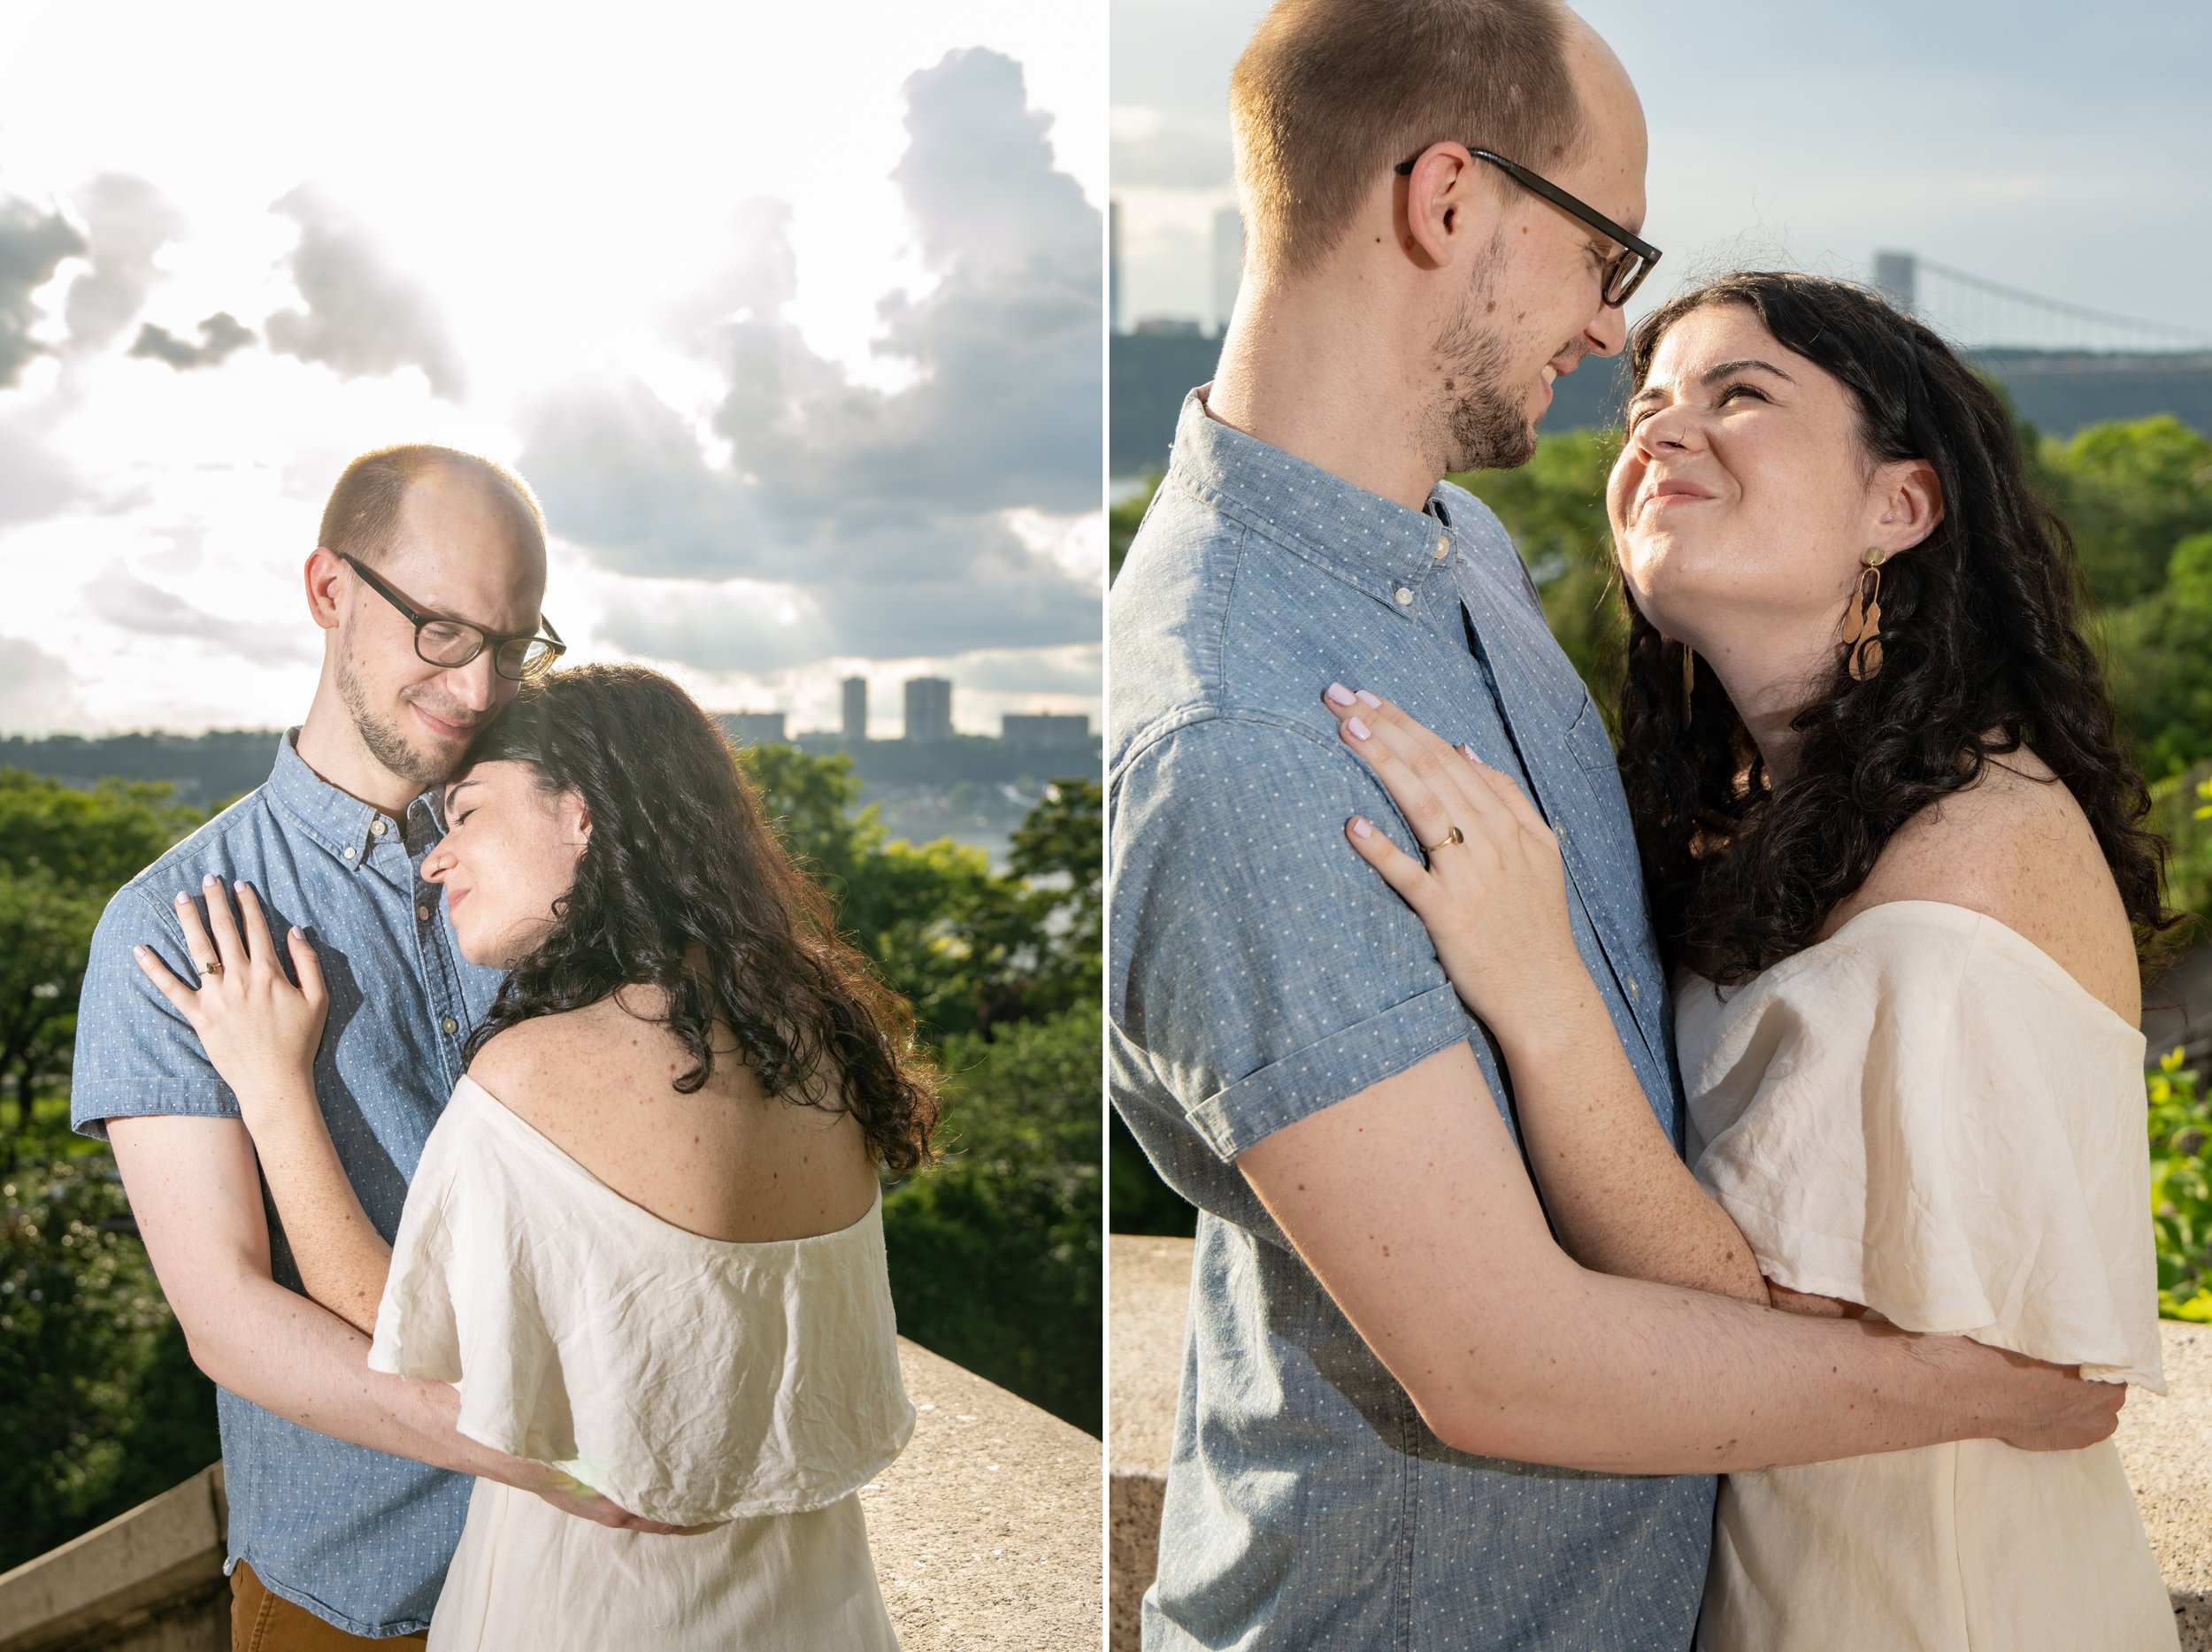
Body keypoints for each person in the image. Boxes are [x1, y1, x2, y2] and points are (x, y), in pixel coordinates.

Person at [1106, 1, 2125, 1646]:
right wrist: (1969, 1385)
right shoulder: (1240, 735)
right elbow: (1503, 1357)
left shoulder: (1464, 558)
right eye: (1608, 255)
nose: (1610, 334)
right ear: (1451, 202)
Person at [1319, 272, 2177, 1648]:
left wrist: (1540, 990)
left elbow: (1767, 1322)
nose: (1659, 434)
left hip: (1935, 1604)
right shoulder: (1772, 805)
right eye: (1648, 406)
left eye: (1741, 397)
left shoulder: (1977, 850)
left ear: (1901, 505)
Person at [134, 664, 929, 1648]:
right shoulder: (817, 1037)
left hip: (599, 1610)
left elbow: (394, 1319)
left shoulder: (542, 1067)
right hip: (814, 1607)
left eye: (465, 814)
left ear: (582, 814)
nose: (436, 859)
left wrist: (271, 1082)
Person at [73, 444, 671, 1648]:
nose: (480, 682)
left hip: (610, 1581)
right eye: (442, 629)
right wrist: (527, 1447)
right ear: (328, 588)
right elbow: (228, 1311)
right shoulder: (173, 924)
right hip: (357, 1597)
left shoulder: (581, 860)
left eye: (513, 643)